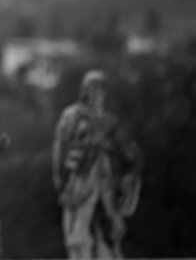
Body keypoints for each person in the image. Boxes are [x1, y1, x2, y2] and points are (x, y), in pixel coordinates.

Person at [52, 70, 143, 259]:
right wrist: (58, 176)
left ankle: (109, 253)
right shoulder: (73, 115)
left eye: (99, 89)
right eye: (91, 88)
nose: (95, 93)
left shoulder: (108, 120)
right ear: (84, 90)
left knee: (111, 224)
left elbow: (121, 150)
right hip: (81, 176)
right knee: (77, 231)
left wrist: (132, 159)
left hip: (106, 178)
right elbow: (60, 145)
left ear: (104, 92)